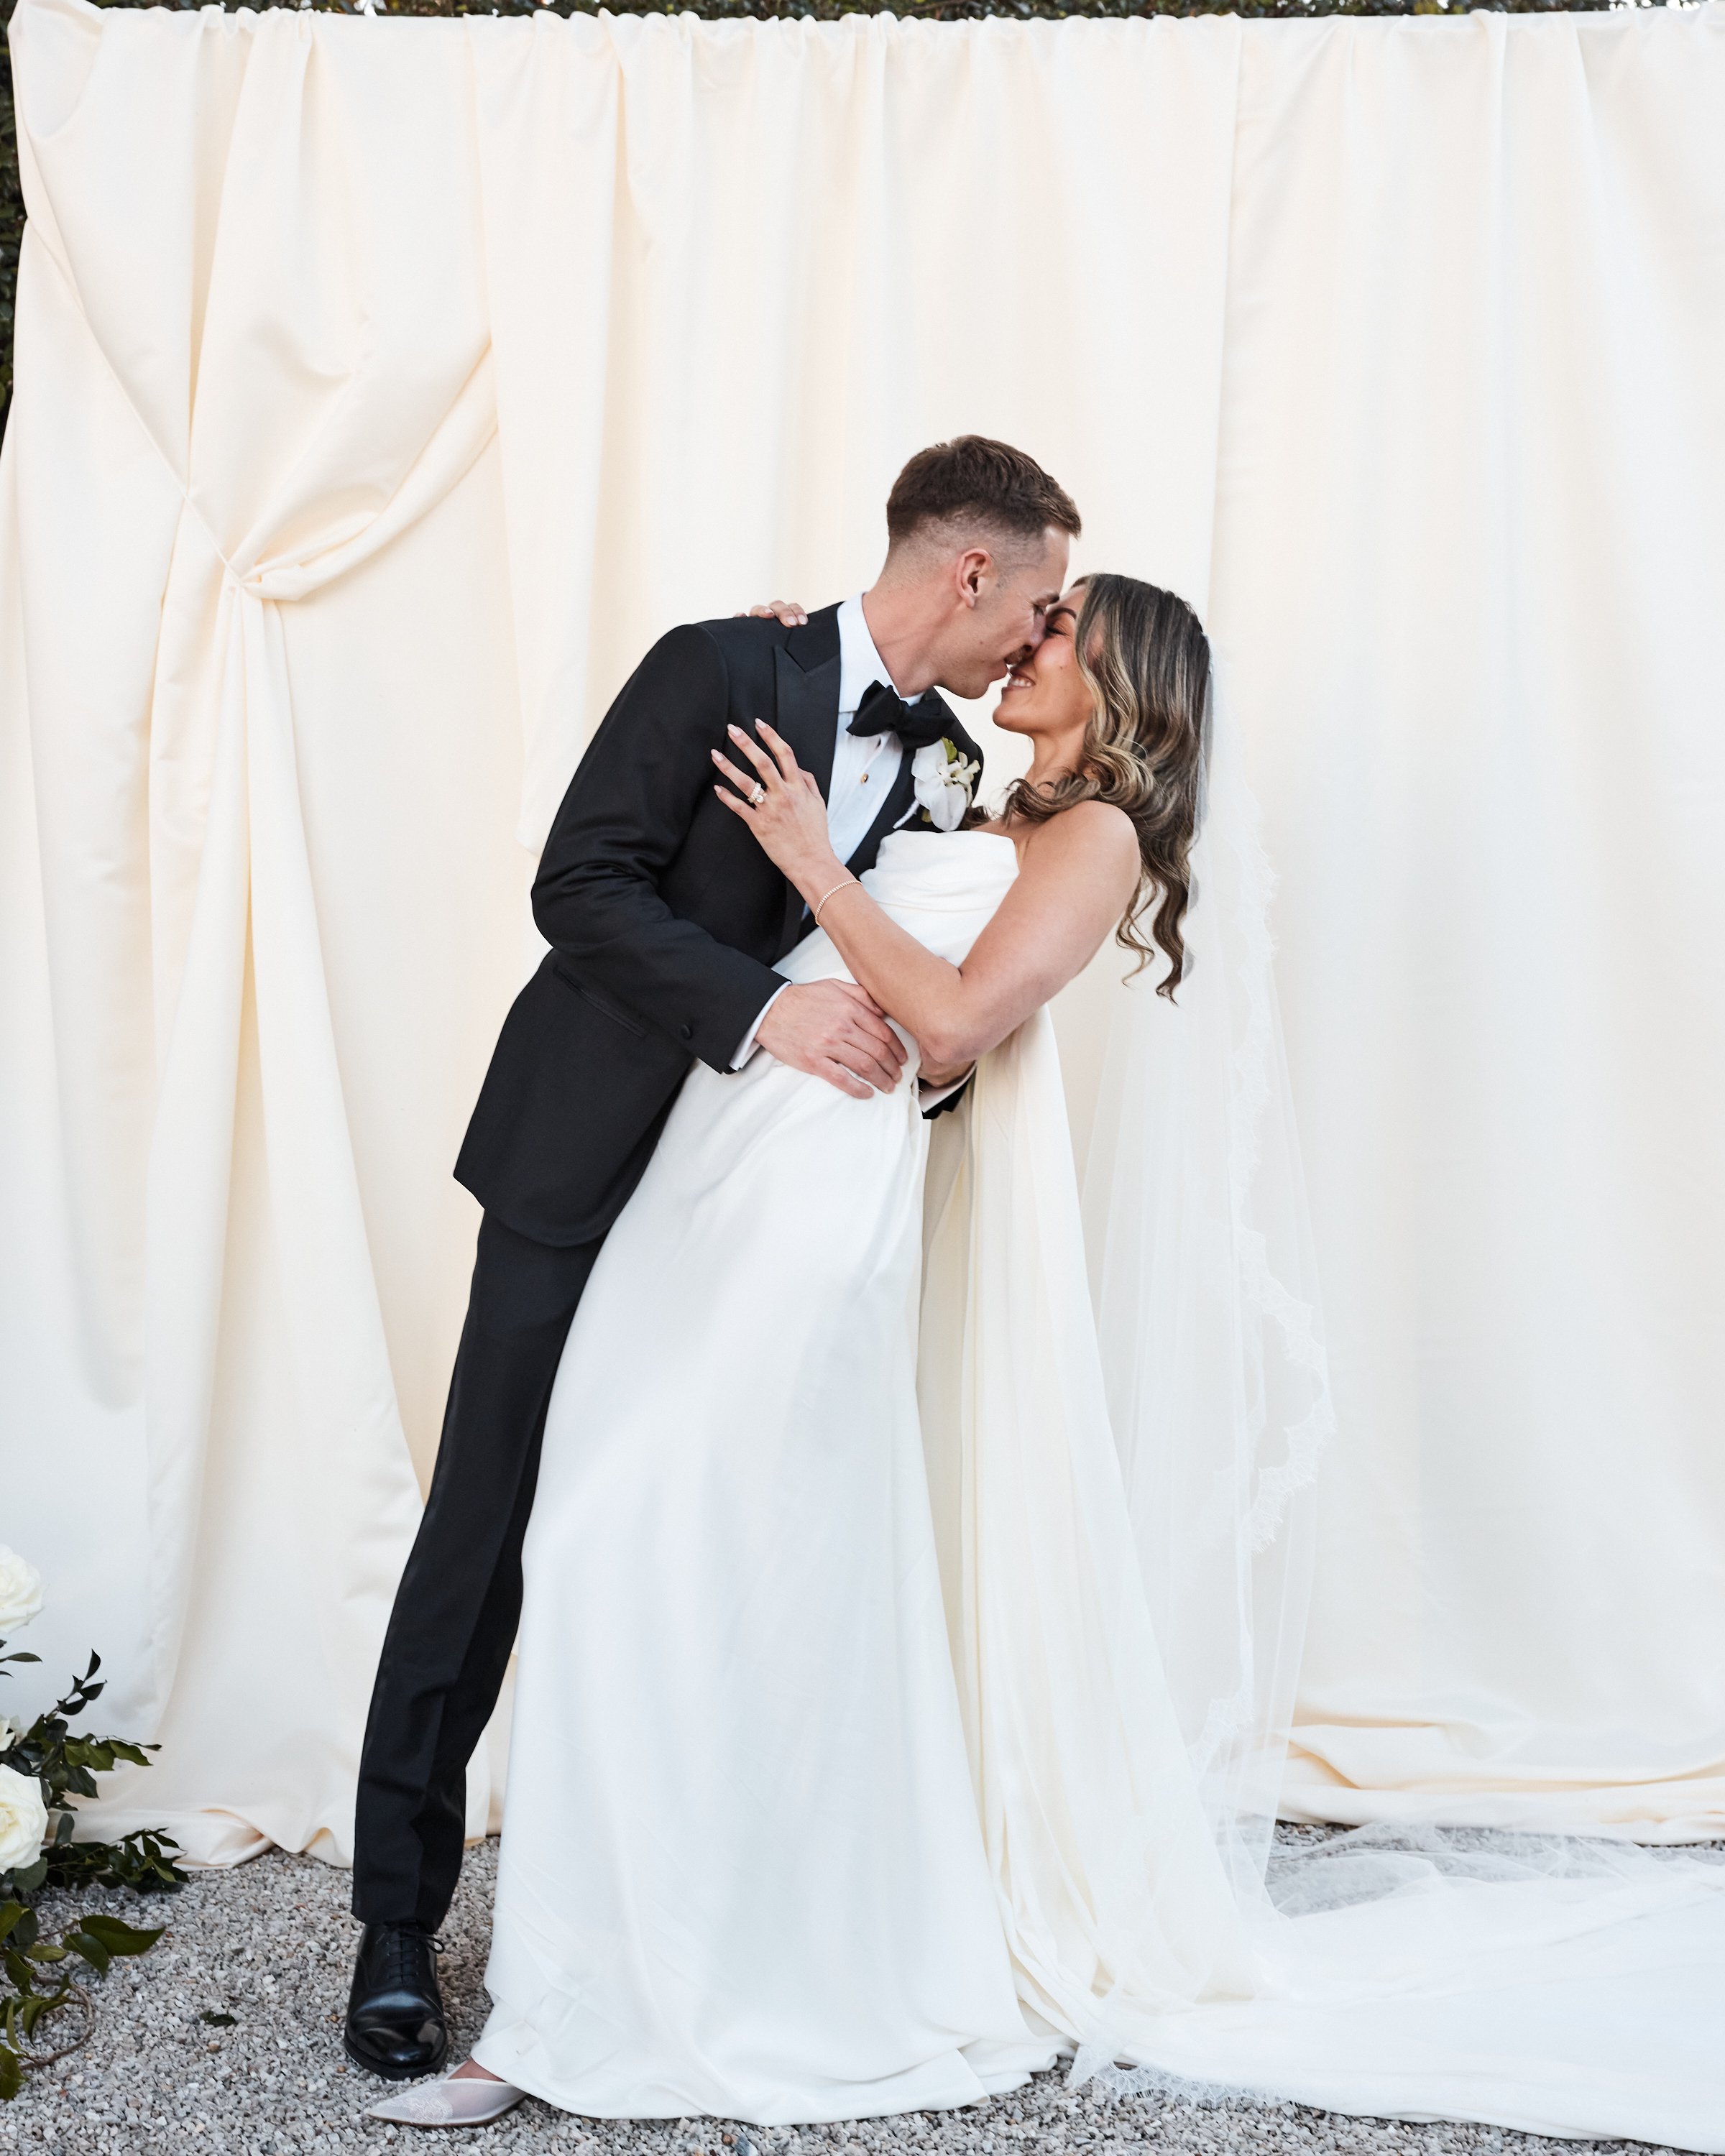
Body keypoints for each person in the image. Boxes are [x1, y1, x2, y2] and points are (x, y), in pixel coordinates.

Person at [367, 568, 1725, 2145]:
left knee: (696, 1559)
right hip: (700, 1192)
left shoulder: (1099, 839)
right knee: (615, 1549)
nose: (1032, 641)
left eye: (1064, 630)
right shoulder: (971, 784)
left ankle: (634, 1997)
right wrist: (798, 684)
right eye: (1036, 609)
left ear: (1119, 679)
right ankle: (610, 1959)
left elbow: (945, 1027)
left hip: (815, 1220)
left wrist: (811, 856)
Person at [344, 436, 1082, 2083]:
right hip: (580, 1165)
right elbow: (577, 885)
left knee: (677, 1529)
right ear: (972, 571)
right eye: (1034, 605)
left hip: (749, 1215)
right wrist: (767, 1011)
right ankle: (397, 1926)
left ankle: (669, 1910)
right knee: (491, 1523)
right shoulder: (721, 664)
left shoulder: (959, 763)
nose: (1037, 641)